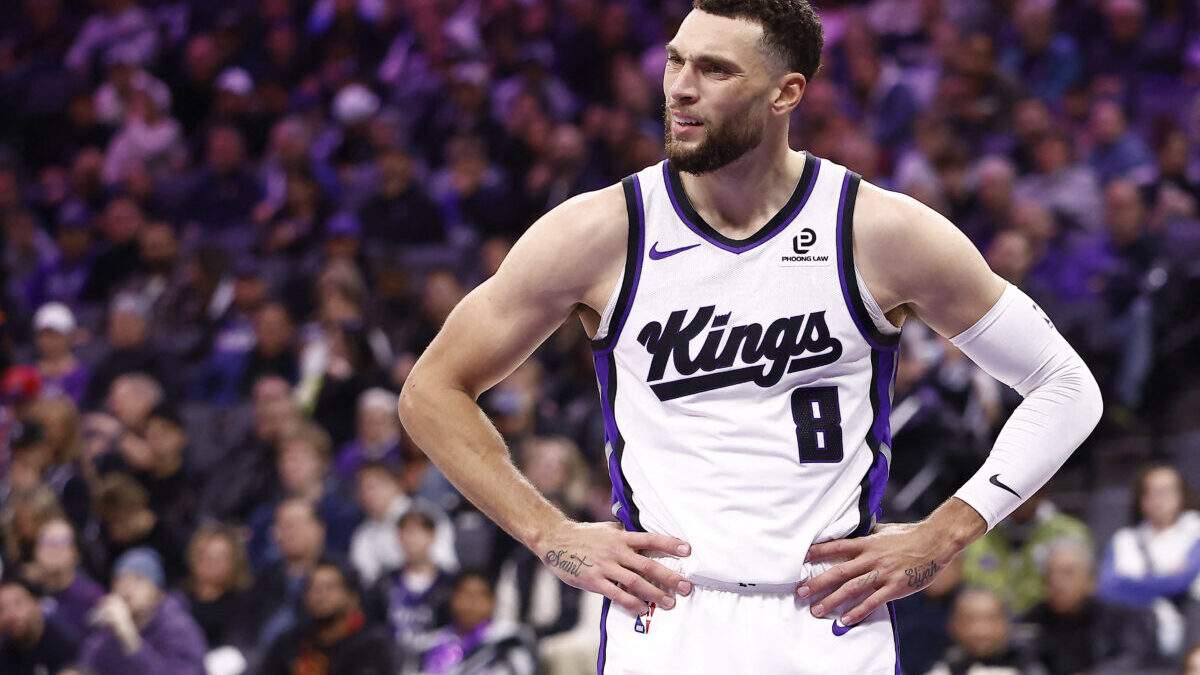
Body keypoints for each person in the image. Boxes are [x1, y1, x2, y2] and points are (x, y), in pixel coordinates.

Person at [397, 1, 1103, 671]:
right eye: (675, 61)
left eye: (715, 69)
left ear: (785, 93)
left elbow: (1066, 385)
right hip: (667, 615)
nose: (681, 87)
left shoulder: (878, 230)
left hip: (829, 615)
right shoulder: (601, 231)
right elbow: (430, 391)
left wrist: (945, 532)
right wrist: (548, 532)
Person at [80, 547, 207, 675]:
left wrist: (131, 640)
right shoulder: (109, 630)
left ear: (158, 591)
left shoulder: (179, 629)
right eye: (120, 580)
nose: (126, 588)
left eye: (138, 579)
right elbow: (88, 665)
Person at [260, 558, 395, 675]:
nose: (320, 596)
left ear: (353, 598)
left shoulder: (372, 648)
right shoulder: (289, 645)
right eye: (313, 588)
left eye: (329, 587)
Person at [416, 570, 536, 675]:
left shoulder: (509, 640)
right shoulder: (431, 643)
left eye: (479, 595)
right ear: (452, 599)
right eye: (465, 594)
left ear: (492, 601)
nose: (472, 603)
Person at [926, 587, 1047, 675]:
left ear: (1007, 623)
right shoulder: (942, 670)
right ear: (953, 625)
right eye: (970, 619)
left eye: (991, 618)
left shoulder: (1030, 668)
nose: (981, 630)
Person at [0, 576, 79, 675]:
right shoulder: (4, 654)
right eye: (2, 609)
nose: (11, 615)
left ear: (36, 603)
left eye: (18, 604)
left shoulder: (66, 642)